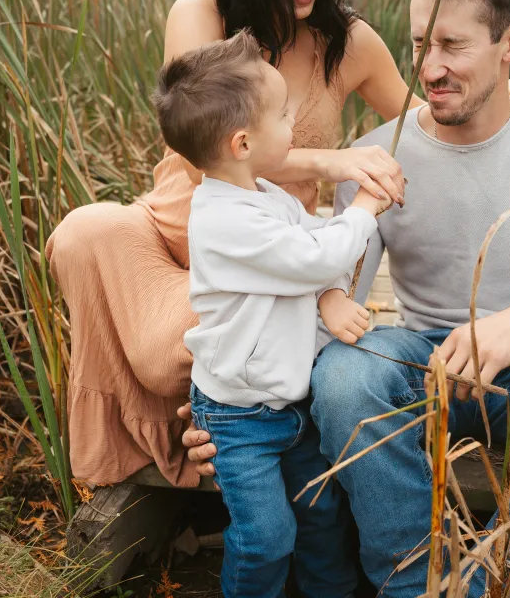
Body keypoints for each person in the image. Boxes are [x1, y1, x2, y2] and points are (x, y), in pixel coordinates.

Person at [46, 0, 510, 490]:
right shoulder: (200, 14)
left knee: (207, 345)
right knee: (85, 231)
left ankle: (213, 423)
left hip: (270, 258)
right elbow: (207, 160)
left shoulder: (348, 42)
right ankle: (180, 430)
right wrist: (335, 162)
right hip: (175, 231)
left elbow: (433, 119)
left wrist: (503, 86)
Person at [180, 0, 510, 596]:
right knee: (343, 379)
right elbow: (328, 312)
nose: (431, 67)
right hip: (423, 372)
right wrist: (228, 420)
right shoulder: (375, 158)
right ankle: (415, 584)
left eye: (453, 45)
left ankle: (499, 575)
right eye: (420, 45)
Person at [156, 31, 386, 597]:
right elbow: (320, 253)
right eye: (283, 114)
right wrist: (363, 204)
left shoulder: (265, 195)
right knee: (266, 535)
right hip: (239, 418)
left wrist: (330, 292)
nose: (294, 124)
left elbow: (314, 246)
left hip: (291, 401)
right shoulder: (224, 220)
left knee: (320, 517)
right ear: (241, 142)